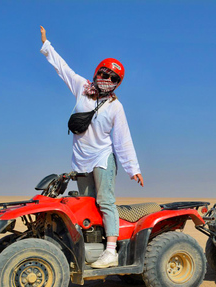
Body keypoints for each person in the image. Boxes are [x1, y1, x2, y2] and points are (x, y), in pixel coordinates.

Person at [40, 26, 144, 268]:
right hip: (81, 160)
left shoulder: (115, 107)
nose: (106, 80)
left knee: (105, 200)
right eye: (104, 74)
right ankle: (90, 248)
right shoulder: (82, 89)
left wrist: (132, 168)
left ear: (117, 83)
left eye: (113, 78)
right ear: (97, 72)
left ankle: (111, 251)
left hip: (102, 157)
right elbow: (62, 69)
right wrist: (47, 46)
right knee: (86, 204)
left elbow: (122, 139)